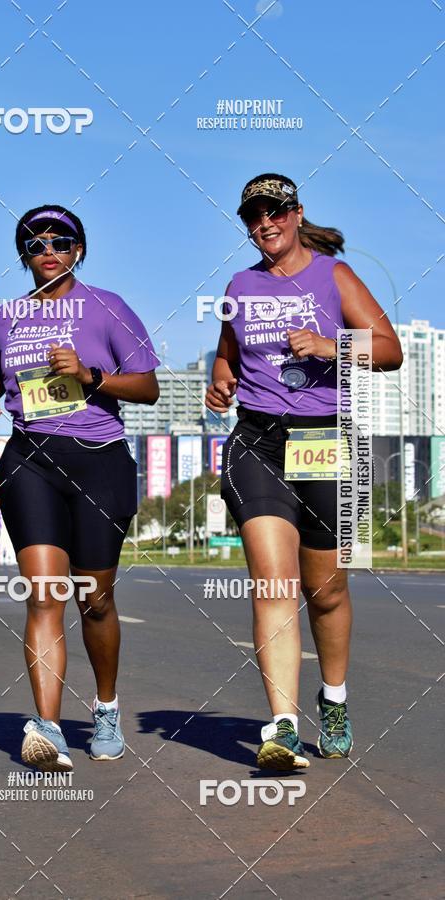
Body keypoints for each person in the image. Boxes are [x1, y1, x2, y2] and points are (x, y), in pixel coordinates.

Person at [206, 174, 403, 770]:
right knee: (273, 580)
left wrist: (329, 346)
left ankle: (334, 699)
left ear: (296, 214)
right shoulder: (241, 285)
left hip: (324, 440)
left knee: (326, 589)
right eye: (253, 216)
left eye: (274, 212)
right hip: (257, 441)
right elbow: (227, 350)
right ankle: (283, 724)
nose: (264, 224)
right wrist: (221, 378)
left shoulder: (333, 275)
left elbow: (389, 350)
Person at [0, 205, 159, 771]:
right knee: (45, 593)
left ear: (79, 249)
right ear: (22, 255)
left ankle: (105, 708)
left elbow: (147, 387)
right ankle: (48, 727)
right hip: (30, 460)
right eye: (34, 243)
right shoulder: (5, 317)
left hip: (99, 460)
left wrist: (89, 376)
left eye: (60, 241)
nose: (47, 250)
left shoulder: (108, 307)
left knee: (94, 599)